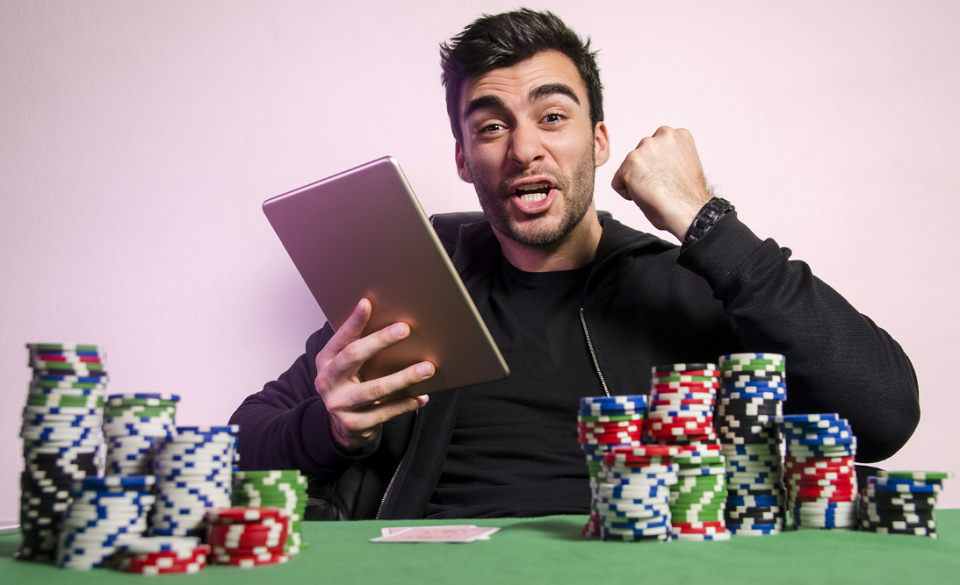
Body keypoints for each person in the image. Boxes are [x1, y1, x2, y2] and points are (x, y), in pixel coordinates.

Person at [230, 9, 920, 520]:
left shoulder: (685, 283)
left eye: (552, 116)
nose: (525, 148)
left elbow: (885, 414)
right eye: (491, 125)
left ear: (599, 142)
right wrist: (331, 428)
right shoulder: (416, 282)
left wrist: (706, 222)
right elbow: (242, 442)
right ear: (464, 159)